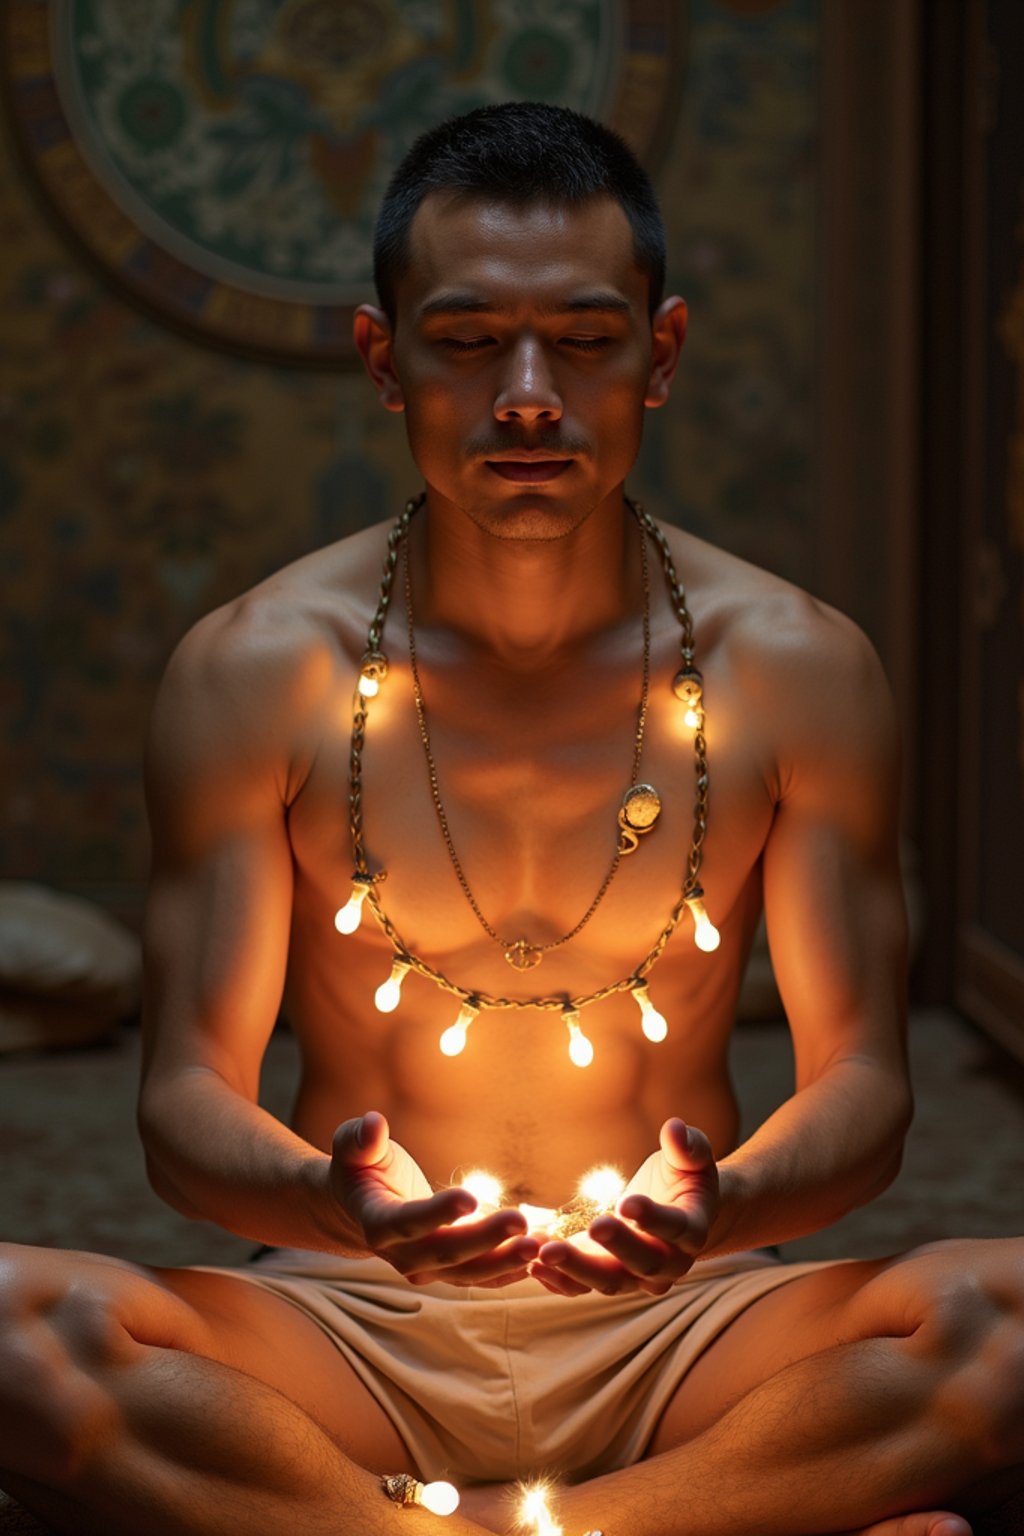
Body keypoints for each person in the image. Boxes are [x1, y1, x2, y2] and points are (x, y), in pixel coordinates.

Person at [0, 101, 1020, 1536]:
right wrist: (340, 1203)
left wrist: (719, 1207)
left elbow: (867, 1090)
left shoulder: (798, 664)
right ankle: (701, 1519)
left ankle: (386, 1526)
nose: (528, 395)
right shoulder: (255, 667)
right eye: (470, 341)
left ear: (658, 358)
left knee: (1004, 1322)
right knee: (13, 1333)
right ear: (386, 359)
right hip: (359, 1315)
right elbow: (181, 1113)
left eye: (585, 342)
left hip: (689, 1316)